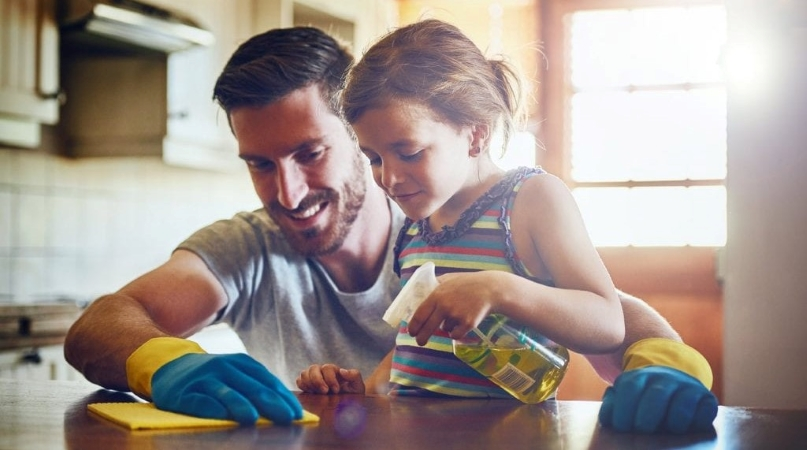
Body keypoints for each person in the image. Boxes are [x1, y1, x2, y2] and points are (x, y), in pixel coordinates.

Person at [63, 25, 716, 434]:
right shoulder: (262, 244)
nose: (285, 193)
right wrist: (160, 362)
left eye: (310, 153)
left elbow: (611, 313)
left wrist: (664, 364)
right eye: (259, 164)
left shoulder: (475, 207)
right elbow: (99, 324)